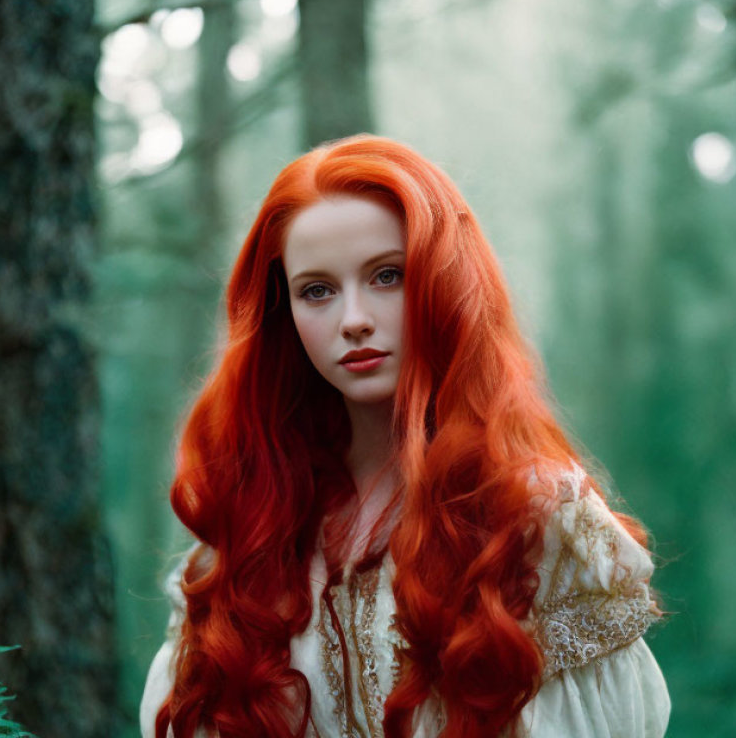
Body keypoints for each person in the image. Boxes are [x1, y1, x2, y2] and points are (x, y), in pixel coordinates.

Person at [140, 135, 670, 738]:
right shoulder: (253, 523)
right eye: (317, 290)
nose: (354, 318)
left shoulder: (538, 517)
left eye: (388, 275)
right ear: (282, 314)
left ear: (444, 284)